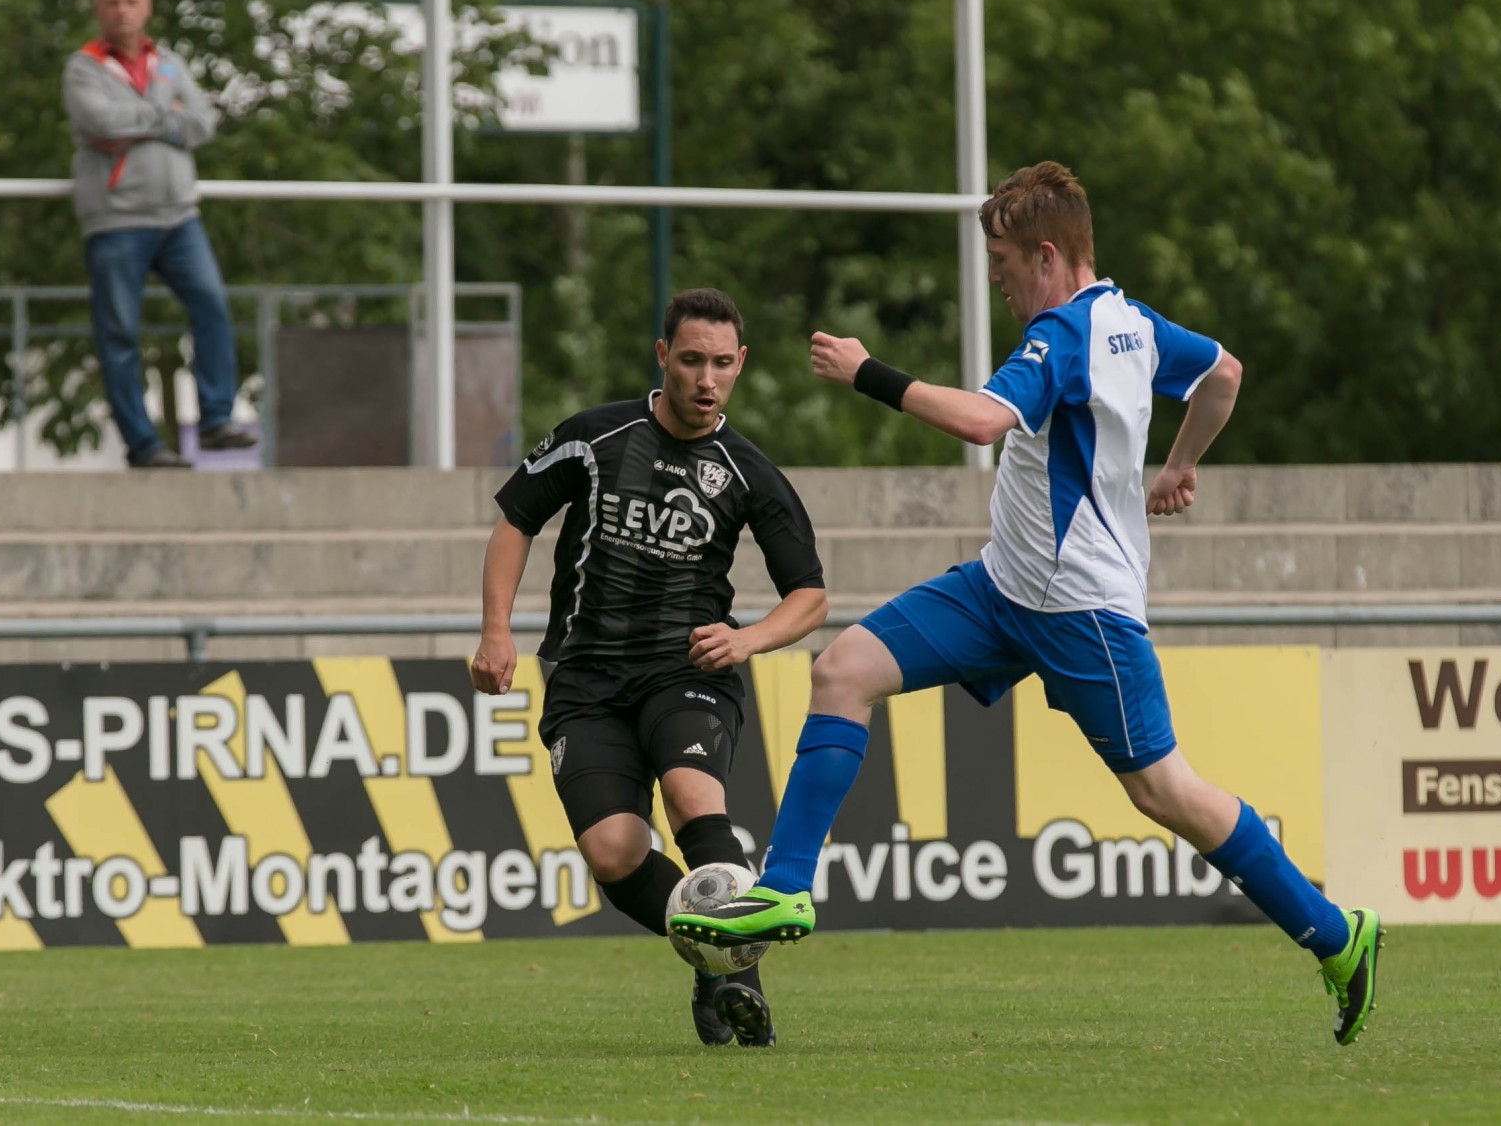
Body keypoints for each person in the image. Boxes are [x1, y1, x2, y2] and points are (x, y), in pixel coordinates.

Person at [673, 162, 1383, 1047]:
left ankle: (1337, 935)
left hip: (1083, 610)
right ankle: (783, 889)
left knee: (1166, 792)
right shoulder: (1134, 320)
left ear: (1047, 255)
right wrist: (1181, 462)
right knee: (841, 670)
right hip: (1002, 586)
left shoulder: (1066, 334)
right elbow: (1226, 374)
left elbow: (980, 422)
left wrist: (867, 373)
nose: (998, 276)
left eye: (1003, 259)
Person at [470, 287, 828, 1048]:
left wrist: (751, 639)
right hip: (585, 678)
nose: (706, 379)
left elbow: (810, 595)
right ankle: (710, 966)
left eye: (721, 364)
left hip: (687, 671)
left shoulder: (747, 472)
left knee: (694, 799)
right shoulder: (594, 438)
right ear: (663, 357)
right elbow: (515, 520)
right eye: (692, 360)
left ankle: (737, 981)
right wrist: (495, 632)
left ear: (741, 366)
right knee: (613, 851)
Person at [63, 0, 256, 469]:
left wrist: (136, 125)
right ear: (98, 9)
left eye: (131, 1)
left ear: (147, 8)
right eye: (113, 2)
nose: (123, 11)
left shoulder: (168, 61)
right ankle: (143, 445)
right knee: (120, 334)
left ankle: (215, 419)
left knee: (211, 306)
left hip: (179, 217)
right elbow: (101, 124)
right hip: (117, 221)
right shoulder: (82, 67)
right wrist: (164, 117)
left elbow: (202, 124)